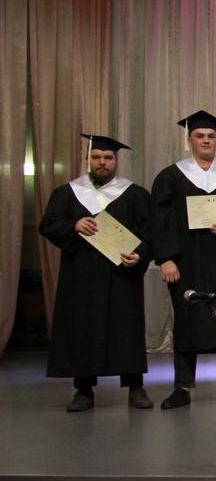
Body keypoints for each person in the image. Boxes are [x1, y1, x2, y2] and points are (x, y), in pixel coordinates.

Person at [39, 134, 154, 412]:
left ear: (116, 160)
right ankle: (83, 390)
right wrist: (73, 225)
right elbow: (48, 225)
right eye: (96, 157)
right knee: (82, 327)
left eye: (108, 157)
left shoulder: (134, 194)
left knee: (126, 329)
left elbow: (151, 233)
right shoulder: (68, 193)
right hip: (81, 274)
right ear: (88, 159)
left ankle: (135, 386)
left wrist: (140, 255)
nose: (102, 162)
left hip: (121, 275)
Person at [151, 111, 216, 409]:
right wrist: (166, 259)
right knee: (186, 321)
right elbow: (159, 220)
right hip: (186, 262)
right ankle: (182, 386)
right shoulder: (171, 177)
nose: (206, 141)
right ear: (189, 140)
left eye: (211, 136)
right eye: (200, 136)